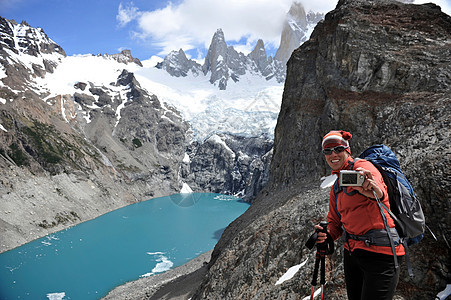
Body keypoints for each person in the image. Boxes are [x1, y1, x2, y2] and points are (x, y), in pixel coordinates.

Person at [316, 130, 405, 300]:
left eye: (338, 149)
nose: (332, 154)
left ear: (347, 150)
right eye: (327, 151)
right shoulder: (337, 185)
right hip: (353, 254)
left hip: (381, 254)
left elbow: (380, 193)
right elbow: (335, 222)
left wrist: (372, 191)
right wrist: (326, 235)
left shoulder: (363, 167)